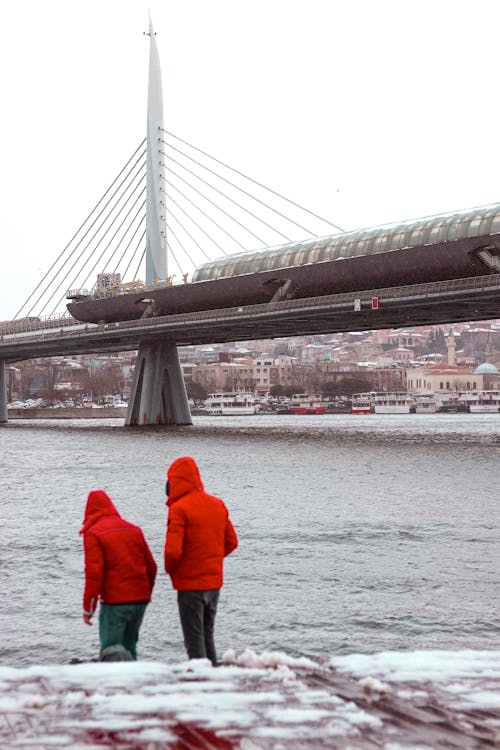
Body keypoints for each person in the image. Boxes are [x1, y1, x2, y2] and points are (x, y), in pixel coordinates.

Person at [164, 456, 238, 665]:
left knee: (194, 641)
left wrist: (173, 571)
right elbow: (232, 542)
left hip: (189, 585)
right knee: (208, 635)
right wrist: (210, 559)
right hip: (213, 585)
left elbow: (172, 553)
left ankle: (202, 682)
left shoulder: (179, 509)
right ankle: (213, 675)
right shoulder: (217, 504)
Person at [80, 489, 157, 661]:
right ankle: (135, 682)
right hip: (139, 601)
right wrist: (145, 594)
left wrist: (88, 609)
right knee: (130, 648)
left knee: (110, 652)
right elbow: (152, 566)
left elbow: (94, 574)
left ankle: (115, 685)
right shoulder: (134, 530)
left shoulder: (93, 533)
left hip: (115, 603)